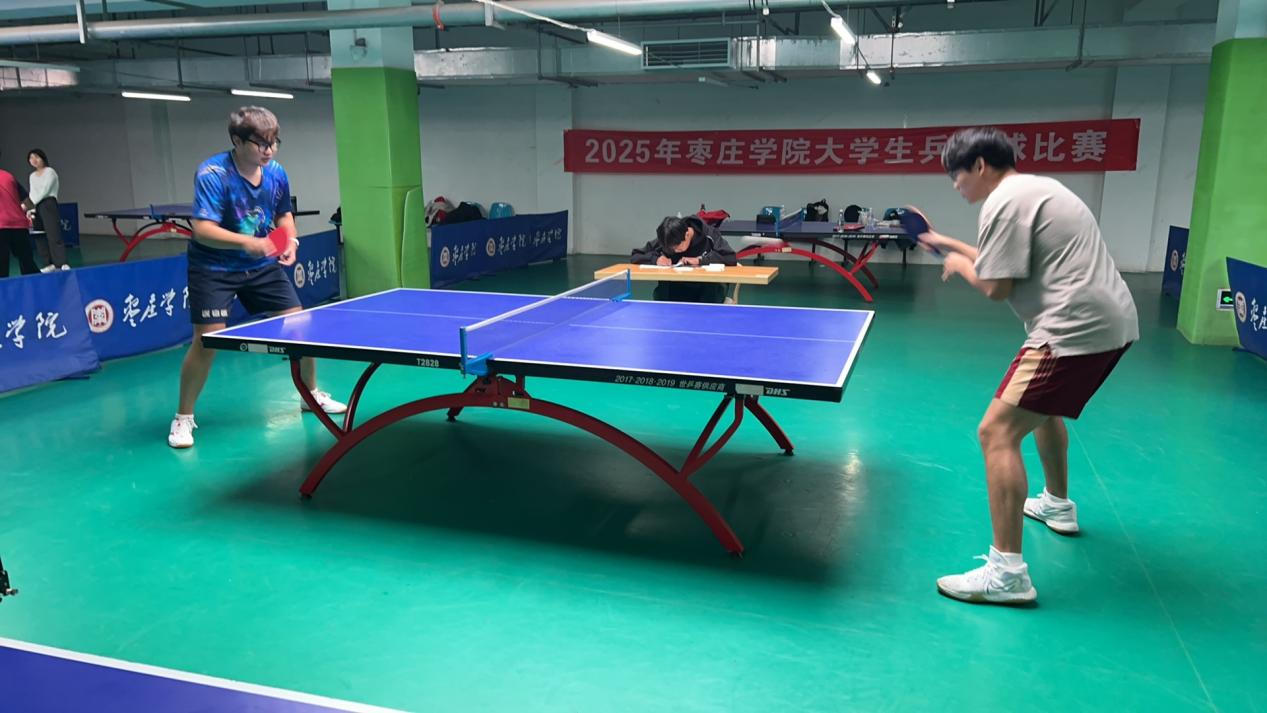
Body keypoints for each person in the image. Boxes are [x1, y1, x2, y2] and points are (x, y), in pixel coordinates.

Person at [914, 127, 1139, 606]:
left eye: (956, 175)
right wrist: (948, 243)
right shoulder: (1036, 190)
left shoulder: (1003, 202)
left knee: (996, 432)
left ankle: (1007, 575)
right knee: (1043, 409)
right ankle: (1057, 504)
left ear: (979, 165)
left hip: (1072, 329)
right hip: (1112, 323)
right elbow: (1005, 263)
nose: (955, 185)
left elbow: (996, 287)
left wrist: (960, 266)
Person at [169, 106, 346, 449]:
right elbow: (202, 229)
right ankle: (183, 417)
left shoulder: (276, 173)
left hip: (261, 264)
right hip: (215, 268)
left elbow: (283, 215)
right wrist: (247, 243)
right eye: (261, 143)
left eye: (274, 142)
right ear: (237, 141)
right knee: (207, 341)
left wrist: (289, 241)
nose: (269, 150)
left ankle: (309, 395)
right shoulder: (213, 174)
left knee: (300, 327)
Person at [630, 215, 738, 303]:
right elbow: (636, 255)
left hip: (707, 290)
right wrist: (656, 259)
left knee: (709, 293)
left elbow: (730, 257)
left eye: (678, 247)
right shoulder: (668, 238)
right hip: (678, 289)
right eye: (671, 249)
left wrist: (701, 260)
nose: (675, 251)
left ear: (687, 235)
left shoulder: (709, 235)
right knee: (662, 292)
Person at [25, 148, 68, 272]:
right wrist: (30, 209)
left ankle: (61, 263)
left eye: (36, 157)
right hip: (36, 206)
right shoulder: (32, 176)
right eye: (31, 158)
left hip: (48, 204)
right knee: (39, 235)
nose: (34, 160)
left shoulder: (50, 172)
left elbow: (45, 191)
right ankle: (49, 264)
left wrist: (29, 204)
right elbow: (32, 193)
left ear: (42, 158)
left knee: (53, 234)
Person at [1, 156, 40, 277]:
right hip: (19, 225)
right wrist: (19, 210)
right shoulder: (9, 176)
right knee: (28, 264)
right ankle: (37, 286)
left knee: (1, 269)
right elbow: (28, 202)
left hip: (1, 227)